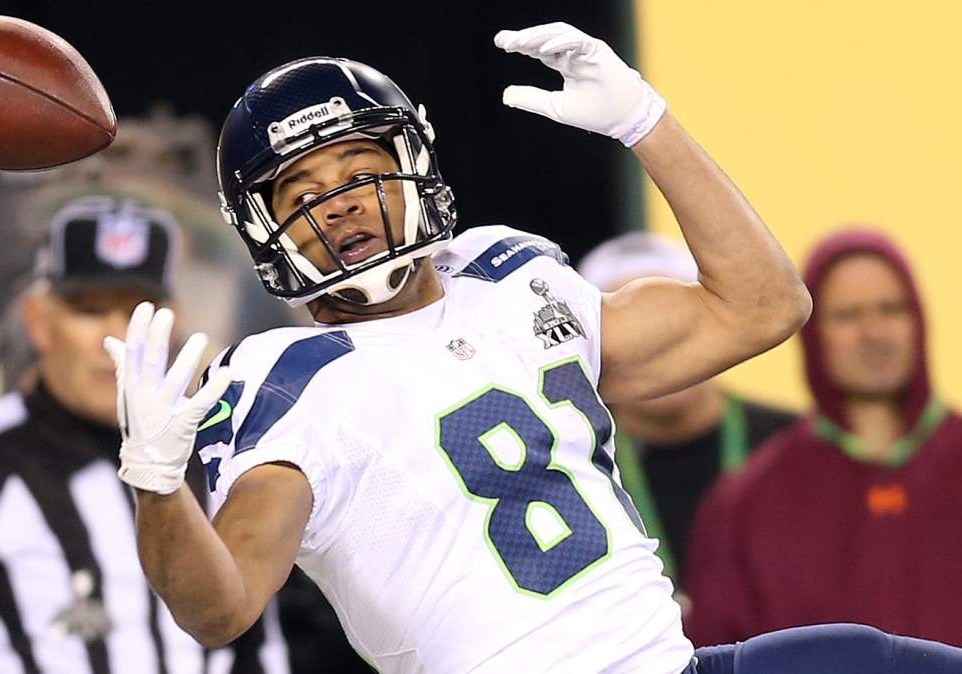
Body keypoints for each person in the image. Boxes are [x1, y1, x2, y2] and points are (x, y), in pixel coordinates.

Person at [106, 21, 962, 674]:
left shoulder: (508, 275)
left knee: (866, 658)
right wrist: (157, 485)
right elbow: (219, 609)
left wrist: (646, 122)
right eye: (302, 194)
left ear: (413, 162)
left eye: (360, 171)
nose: (340, 203)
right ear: (264, 229)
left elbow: (764, 306)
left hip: (671, 664)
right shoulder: (285, 382)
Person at [0, 195, 287, 673]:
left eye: (138, 312)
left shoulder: (212, 456)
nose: (116, 339)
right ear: (38, 320)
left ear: (174, 321)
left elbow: (258, 648)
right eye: (90, 310)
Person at [683, 229, 962, 648]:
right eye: (848, 316)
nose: (874, 333)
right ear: (812, 333)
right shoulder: (746, 503)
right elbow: (717, 652)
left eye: (892, 309)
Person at [577, 233, 798, 588]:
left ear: (715, 325)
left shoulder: (792, 444)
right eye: (628, 329)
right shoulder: (571, 461)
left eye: (671, 320)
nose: (654, 341)